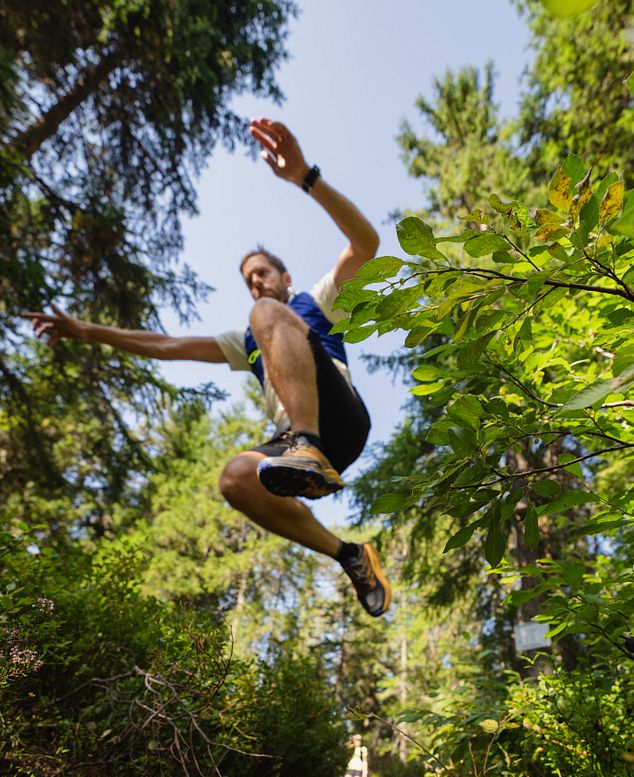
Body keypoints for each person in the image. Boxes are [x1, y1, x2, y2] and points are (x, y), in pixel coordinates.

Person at [24, 119, 391, 618]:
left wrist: (306, 177)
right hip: (293, 445)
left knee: (265, 317)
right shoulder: (246, 342)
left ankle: (310, 448)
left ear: (286, 276)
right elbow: (168, 344)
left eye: (262, 273)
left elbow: (365, 243)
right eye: (248, 280)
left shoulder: (318, 301)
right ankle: (349, 555)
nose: (256, 283)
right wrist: (89, 331)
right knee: (236, 480)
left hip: (341, 424)